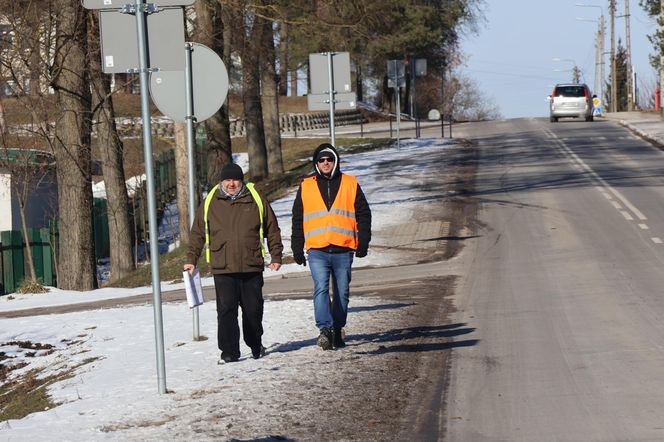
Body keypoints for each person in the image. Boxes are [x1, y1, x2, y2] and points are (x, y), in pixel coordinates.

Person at [184, 162, 283, 363]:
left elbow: (272, 227)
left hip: (251, 264)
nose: (231, 184)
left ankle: (255, 344)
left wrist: (276, 255)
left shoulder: (255, 197)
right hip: (223, 266)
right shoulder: (211, 200)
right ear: (222, 181)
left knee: (253, 310)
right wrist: (191, 259)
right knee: (226, 310)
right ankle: (229, 352)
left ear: (241, 180)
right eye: (228, 180)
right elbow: (197, 233)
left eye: (235, 179)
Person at [291, 143, 371, 350]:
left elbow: (363, 214)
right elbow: (298, 218)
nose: (325, 163)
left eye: (329, 159)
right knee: (321, 289)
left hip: (343, 249)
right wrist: (297, 247)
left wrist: (363, 241)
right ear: (316, 163)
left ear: (335, 161)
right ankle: (324, 330)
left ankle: (337, 328)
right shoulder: (306, 185)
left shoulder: (350, 183)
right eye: (321, 160)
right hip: (317, 250)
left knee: (342, 292)